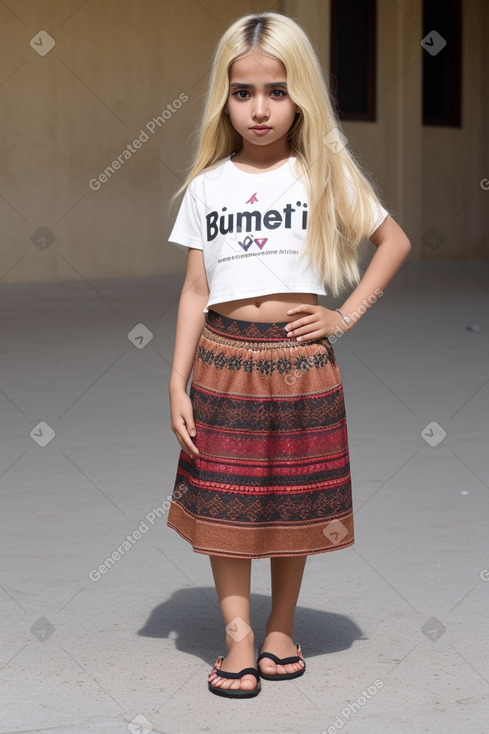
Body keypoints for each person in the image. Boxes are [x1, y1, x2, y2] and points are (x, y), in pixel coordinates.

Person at [166, 11, 411, 699]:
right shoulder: (207, 184)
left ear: (300, 92)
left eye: (276, 90)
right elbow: (193, 290)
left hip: (300, 364)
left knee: (293, 499)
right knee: (226, 500)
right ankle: (237, 634)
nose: (260, 108)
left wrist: (344, 314)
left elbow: (393, 241)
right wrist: (175, 382)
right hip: (221, 359)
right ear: (224, 98)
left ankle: (280, 625)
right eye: (243, 93)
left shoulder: (323, 170)